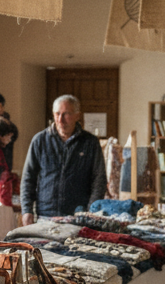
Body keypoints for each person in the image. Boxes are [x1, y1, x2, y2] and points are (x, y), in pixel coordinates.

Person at [20, 94, 107, 225]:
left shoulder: (90, 142)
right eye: (57, 114)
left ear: (77, 115)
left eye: (66, 114)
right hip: (46, 215)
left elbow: (99, 179)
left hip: (79, 216)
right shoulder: (40, 140)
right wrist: (27, 210)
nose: (61, 120)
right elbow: (28, 178)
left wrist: (91, 211)